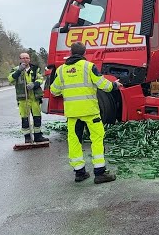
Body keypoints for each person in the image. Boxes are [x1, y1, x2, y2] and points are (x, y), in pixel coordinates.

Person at [50, 41, 122, 184]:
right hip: (90, 112)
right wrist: (115, 85)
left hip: (72, 114)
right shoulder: (89, 67)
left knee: (75, 142)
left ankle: (80, 173)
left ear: (70, 53)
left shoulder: (61, 70)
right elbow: (104, 85)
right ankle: (100, 173)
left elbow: (54, 90)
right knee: (97, 139)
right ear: (84, 53)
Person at [8, 52, 49, 144]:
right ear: (20, 59)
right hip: (23, 98)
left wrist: (34, 84)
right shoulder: (15, 69)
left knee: (37, 117)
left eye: (27, 58)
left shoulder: (35, 69)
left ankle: (38, 136)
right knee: (25, 118)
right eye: (23, 58)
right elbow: (10, 79)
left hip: (34, 97)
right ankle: (27, 137)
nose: (25, 60)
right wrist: (19, 71)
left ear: (29, 59)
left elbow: (40, 79)